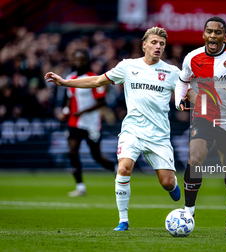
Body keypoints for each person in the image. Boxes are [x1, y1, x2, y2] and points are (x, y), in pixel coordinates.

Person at [45, 27, 181, 231]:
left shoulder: (172, 72)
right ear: (144, 45)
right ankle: (123, 220)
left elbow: (192, 93)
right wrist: (65, 82)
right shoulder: (127, 66)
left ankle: (173, 185)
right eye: (154, 42)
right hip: (132, 130)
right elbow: (96, 80)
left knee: (167, 183)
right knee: (124, 167)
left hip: (159, 135)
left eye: (161, 44)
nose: (158, 47)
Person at [175, 16, 226, 235]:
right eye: (209, 31)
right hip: (203, 117)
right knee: (194, 158)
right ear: (203, 34)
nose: (213, 36)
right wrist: (179, 99)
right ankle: (188, 213)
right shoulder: (192, 57)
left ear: (225, 35)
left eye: (218, 32)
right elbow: (183, 81)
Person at [58, 49, 116, 197]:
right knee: (72, 152)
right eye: (76, 59)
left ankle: (114, 168)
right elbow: (70, 100)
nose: (79, 62)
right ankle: (80, 186)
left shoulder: (94, 79)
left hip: (91, 123)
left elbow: (101, 102)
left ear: (87, 61)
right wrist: (65, 111)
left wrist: (83, 111)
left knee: (96, 156)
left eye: (82, 59)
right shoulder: (70, 78)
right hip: (74, 122)